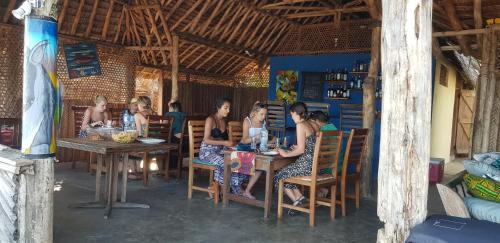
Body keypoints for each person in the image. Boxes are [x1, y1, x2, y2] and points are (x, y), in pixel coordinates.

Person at [199, 98, 247, 195]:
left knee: (241, 161)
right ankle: (224, 188)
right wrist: (224, 143)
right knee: (226, 163)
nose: (228, 110)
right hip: (207, 152)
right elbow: (206, 139)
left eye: (229, 108)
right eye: (226, 108)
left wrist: (231, 144)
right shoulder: (210, 120)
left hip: (220, 151)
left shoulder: (224, 122)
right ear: (218, 108)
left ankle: (223, 187)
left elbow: (226, 141)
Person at [274, 102, 316, 215]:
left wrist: (285, 154)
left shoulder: (300, 125)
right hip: (312, 164)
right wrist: (297, 147)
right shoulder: (309, 124)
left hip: (306, 165)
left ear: (296, 114)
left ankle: (296, 201)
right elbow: (309, 145)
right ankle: (299, 198)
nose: (291, 117)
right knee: (284, 172)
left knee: (279, 175)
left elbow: (302, 150)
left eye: (292, 115)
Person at [238, 101, 268, 199]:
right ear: (255, 113)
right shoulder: (247, 121)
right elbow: (245, 140)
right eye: (262, 114)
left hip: (256, 148)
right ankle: (244, 189)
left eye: (265, 114)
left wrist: (270, 140)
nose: (264, 116)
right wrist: (257, 137)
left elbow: (263, 139)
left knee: (262, 165)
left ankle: (247, 191)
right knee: (260, 165)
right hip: (244, 148)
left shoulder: (263, 122)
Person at [309, 110, 339, 197]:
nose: (311, 125)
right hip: (338, 165)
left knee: (306, 166)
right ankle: (320, 190)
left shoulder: (321, 131)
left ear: (317, 121)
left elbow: (316, 151)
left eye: (312, 122)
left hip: (328, 167)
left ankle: (320, 189)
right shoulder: (333, 128)